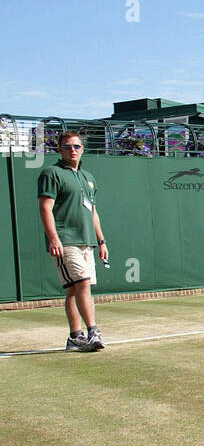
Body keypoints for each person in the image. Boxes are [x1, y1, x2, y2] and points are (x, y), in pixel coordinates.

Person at [37, 131, 109, 351]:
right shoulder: (51, 173)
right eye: (67, 146)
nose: (73, 150)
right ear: (60, 149)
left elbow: (93, 211)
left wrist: (102, 240)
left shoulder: (88, 177)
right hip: (65, 240)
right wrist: (54, 239)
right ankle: (93, 332)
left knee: (74, 288)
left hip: (87, 240)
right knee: (82, 283)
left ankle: (74, 338)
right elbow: (45, 207)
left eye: (77, 146)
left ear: (82, 149)